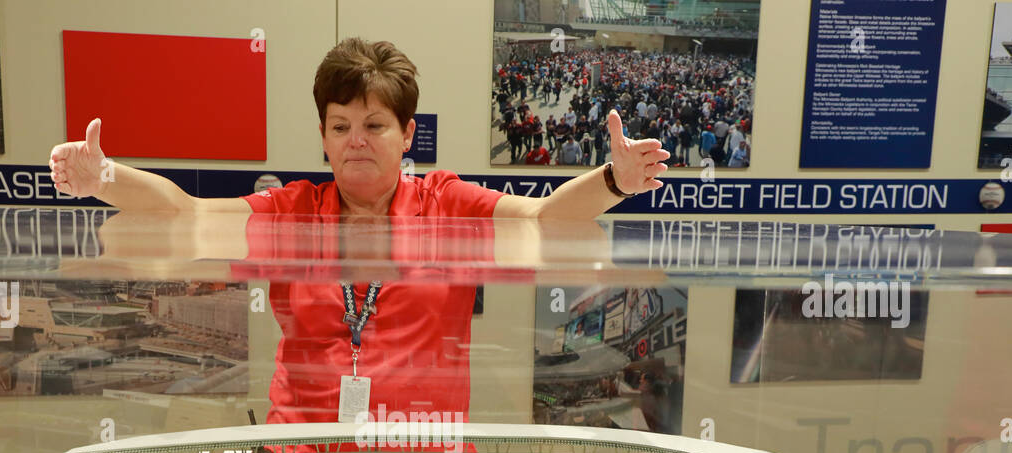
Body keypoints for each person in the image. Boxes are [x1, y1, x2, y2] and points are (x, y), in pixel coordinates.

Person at [50, 38, 667, 425]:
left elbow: (541, 219)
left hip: (423, 452)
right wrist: (103, 176)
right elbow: (181, 214)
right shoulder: (293, 209)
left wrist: (613, 180)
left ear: (406, 133)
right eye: (340, 126)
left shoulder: (445, 201)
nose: (357, 141)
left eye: (374, 124)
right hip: (303, 450)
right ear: (323, 138)